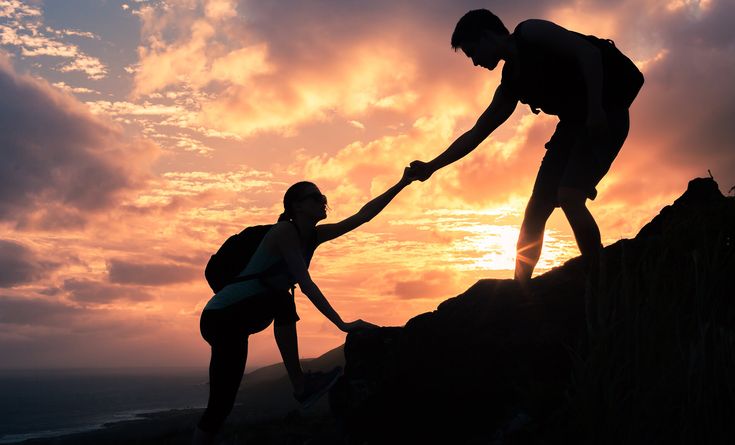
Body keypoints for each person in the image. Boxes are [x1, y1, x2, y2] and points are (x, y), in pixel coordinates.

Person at [408, 9, 643, 287]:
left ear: (486, 36)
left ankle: (601, 278)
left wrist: (595, 111)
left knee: (569, 195)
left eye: (473, 53)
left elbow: (588, 54)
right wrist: (431, 167)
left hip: (605, 113)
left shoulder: (531, 32)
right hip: (572, 125)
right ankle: (520, 290)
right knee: (537, 208)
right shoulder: (511, 84)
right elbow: (476, 133)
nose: (474, 63)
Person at [193, 168, 417, 444]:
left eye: (322, 195)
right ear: (296, 205)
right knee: (282, 300)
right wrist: (341, 324)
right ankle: (300, 385)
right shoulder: (284, 232)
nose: (322, 200)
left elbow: (362, 216)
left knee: (220, 408)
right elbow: (306, 284)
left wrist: (401, 184)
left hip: (238, 320)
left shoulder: (312, 237)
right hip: (222, 316)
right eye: (314, 196)